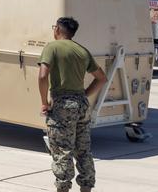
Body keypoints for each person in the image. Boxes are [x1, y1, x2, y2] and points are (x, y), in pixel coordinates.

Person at [38, 17, 107, 192]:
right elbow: (101, 78)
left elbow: (42, 76)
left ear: (58, 30)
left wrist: (44, 103)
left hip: (62, 105)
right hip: (81, 106)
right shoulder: (82, 51)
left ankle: (63, 189)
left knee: (62, 150)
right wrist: (84, 95)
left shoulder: (52, 47)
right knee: (83, 150)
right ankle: (86, 188)